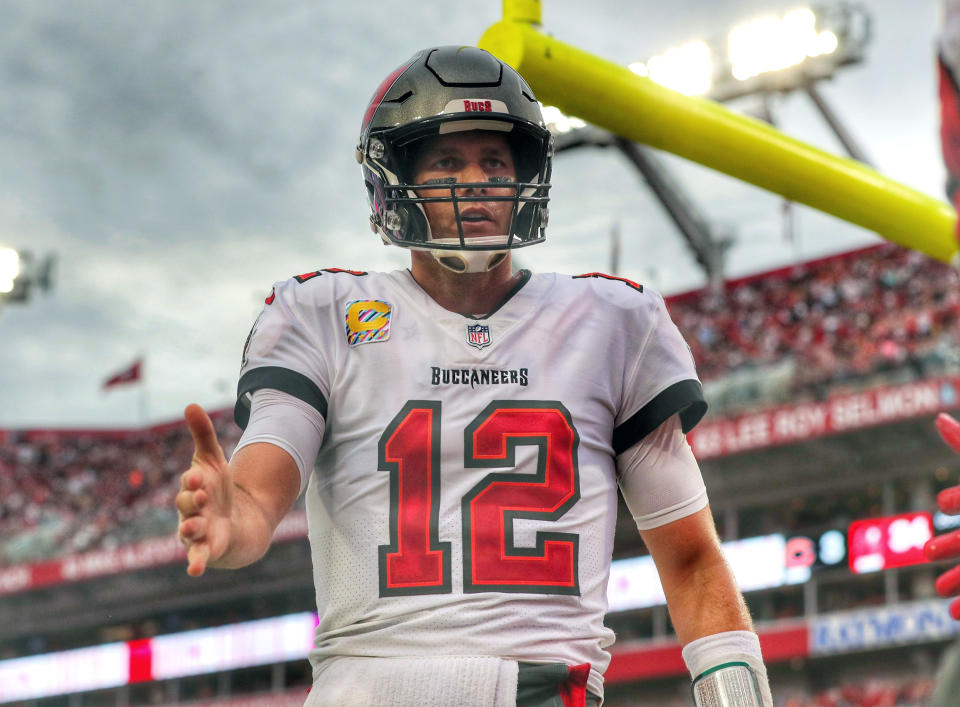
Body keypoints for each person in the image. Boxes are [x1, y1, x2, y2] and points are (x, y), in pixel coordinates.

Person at [176, 46, 772, 706]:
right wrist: (235, 518)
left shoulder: (615, 323)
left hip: (540, 690)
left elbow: (691, 561)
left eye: (495, 160)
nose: (476, 181)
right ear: (395, 177)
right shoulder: (320, 313)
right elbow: (261, 491)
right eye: (447, 161)